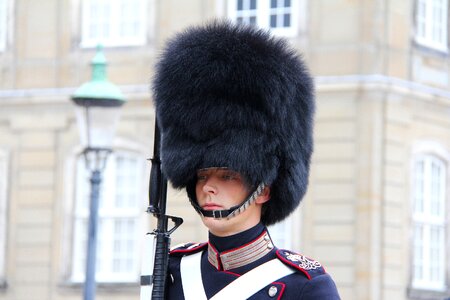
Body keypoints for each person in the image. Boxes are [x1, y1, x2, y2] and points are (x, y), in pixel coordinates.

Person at [152, 20, 341, 299]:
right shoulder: (174, 272)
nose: (207, 187)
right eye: (202, 176)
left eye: (227, 176)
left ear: (263, 189)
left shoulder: (304, 287)